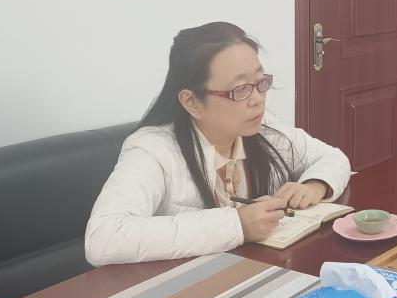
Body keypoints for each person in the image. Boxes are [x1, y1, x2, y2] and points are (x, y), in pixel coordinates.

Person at [85, 22, 351, 265]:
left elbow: (332, 157)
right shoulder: (153, 149)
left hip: (257, 272)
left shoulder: (262, 128)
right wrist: (237, 225)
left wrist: (315, 185)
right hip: (185, 287)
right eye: (240, 89)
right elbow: (104, 238)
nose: (258, 99)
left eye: (260, 82)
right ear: (191, 101)